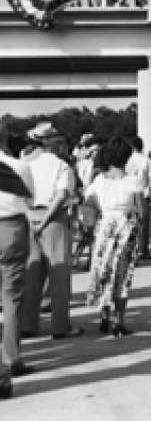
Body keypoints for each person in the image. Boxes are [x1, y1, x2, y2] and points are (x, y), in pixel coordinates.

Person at [20, 122, 82, 340]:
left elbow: (19, 194)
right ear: (52, 141)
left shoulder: (24, 164)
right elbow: (62, 194)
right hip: (53, 218)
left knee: (31, 273)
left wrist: (30, 215)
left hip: (28, 217)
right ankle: (60, 326)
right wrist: (46, 218)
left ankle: (27, 324)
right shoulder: (61, 166)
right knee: (59, 273)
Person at [82, 137, 143, 336]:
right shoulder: (133, 181)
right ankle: (119, 320)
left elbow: (89, 202)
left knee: (104, 270)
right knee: (123, 275)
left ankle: (104, 316)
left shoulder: (99, 180)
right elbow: (141, 210)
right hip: (126, 227)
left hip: (105, 227)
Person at [0, 122, 35, 392]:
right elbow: (28, 201)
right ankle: (11, 357)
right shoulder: (19, 167)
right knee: (12, 296)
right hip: (11, 226)